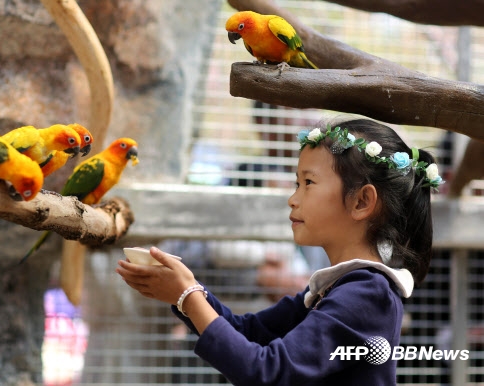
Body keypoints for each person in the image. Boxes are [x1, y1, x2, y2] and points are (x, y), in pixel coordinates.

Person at [116, 118, 444, 385]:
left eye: (308, 183)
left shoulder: (366, 295)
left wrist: (188, 295)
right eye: (295, 183)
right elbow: (248, 332)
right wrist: (185, 290)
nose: (293, 198)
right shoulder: (337, 288)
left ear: (361, 202)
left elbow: (268, 373)